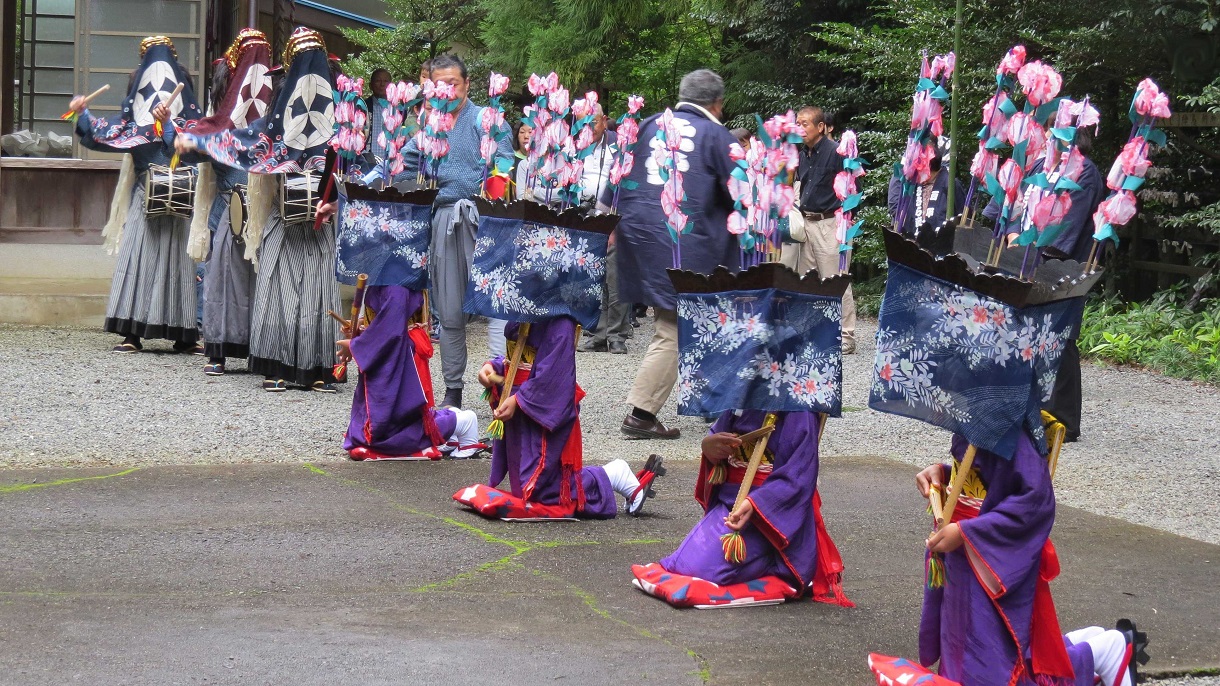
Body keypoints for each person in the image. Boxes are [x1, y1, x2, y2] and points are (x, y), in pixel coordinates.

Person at [176, 27, 341, 393]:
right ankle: (276, 364)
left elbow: (353, 160)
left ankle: (316, 367)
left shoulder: (341, 112)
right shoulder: (278, 104)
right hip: (281, 213)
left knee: (315, 292)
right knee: (277, 288)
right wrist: (196, 139)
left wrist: (336, 197)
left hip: (321, 216)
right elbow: (245, 137)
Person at [613, 69, 741, 440]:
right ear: (718, 103)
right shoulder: (717, 135)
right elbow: (742, 194)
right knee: (675, 327)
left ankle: (712, 403)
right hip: (687, 241)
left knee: (690, 322)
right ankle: (641, 412)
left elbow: (617, 183)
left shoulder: (647, 125)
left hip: (640, 235)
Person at [632, 410, 853, 608]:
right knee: (683, 566)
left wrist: (758, 503)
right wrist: (709, 447)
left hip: (768, 515)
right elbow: (716, 436)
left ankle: (776, 563)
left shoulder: (799, 408)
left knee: (706, 571)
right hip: (731, 502)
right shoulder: (743, 393)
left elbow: (799, 475)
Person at [70, 36, 203, 355]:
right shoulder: (134, 118)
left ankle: (184, 334)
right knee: (137, 261)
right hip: (145, 197)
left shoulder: (189, 115)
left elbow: (189, 148)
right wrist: (82, 113)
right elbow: (99, 136)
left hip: (181, 196)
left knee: (180, 266)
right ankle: (132, 332)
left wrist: (169, 123)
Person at [914, 434, 1077, 685]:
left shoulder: (1011, 431)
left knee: (989, 647)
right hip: (962, 552)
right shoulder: (977, 421)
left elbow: (1035, 500)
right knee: (956, 635)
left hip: (987, 552)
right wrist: (944, 475)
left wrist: (967, 532)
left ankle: (1104, 651)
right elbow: (984, 477)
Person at [464, 316, 666, 519]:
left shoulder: (560, 321)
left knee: (544, 490)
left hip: (540, 403)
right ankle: (610, 474)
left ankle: (612, 475)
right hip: (520, 401)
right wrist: (495, 367)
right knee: (525, 488)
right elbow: (518, 357)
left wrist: (520, 400)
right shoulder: (526, 308)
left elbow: (554, 372)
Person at [400, 53, 514, 409]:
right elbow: (402, 168)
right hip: (445, 217)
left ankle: (499, 381)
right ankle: (453, 388)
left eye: (454, 83)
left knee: (497, 305)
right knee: (448, 309)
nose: (447, 91)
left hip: (485, 218)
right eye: (440, 84)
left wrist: (490, 206)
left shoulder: (487, 119)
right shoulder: (425, 126)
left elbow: (504, 166)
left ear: (466, 85)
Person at [983, 130, 1105, 442]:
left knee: (1059, 335)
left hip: (1061, 260)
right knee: (1024, 334)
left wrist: (1035, 250)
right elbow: (1014, 204)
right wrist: (1013, 235)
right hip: (1022, 254)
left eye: (1053, 132)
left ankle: (1062, 420)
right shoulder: (1040, 167)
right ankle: (1026, 410)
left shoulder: (1085, 172)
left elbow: (1068, 225)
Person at [184, 29, 273, 376]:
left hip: (268, 206)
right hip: (229, 205)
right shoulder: (222, 105)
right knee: (223, 277)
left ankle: (262, 348)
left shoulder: (275, 98)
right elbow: (206, 148)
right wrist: (182, 136)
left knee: (263, 278)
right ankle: (219, 349)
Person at [334, 286, 485, 461]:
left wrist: (357, 345)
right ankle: (450, 426)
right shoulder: (392, 275)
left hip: (400, 352)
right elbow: (386, 323)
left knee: (394, 423)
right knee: (384, 418)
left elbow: (391, 329)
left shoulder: (396, 285)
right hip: (391, 349)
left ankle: (461, 423)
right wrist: (362, 333)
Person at [792, 106, 857, 354]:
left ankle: (846, 335)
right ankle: (814, 332)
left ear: (821, 127)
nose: (800, 128)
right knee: (806, 280)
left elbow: (853, 187)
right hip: (806, 222)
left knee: (836, 280)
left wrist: (845, 226)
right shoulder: (802, 154)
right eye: (797, 123)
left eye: (805, 124)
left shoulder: (837, 152)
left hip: (831, 223)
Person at [579, 103, 630, 354]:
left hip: (613, 216)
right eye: (582, 123)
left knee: (615, 277)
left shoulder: (619, 147)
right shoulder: (573, 146)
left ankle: (617, 334)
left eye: (593, 122)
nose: (588, 128)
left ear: (604, 120)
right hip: (583, 216)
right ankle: (598, 333)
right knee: (592, 278)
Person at [887, 136, 965, 235]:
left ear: (928, 166)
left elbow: (963, 218)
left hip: (942, 244)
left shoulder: (951, 184)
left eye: (919, 168)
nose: (915, 173)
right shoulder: (912, 185)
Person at [366, 68, 393, 160]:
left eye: (385, 81)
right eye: (378, 81)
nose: (382, 84)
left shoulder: (398, 109)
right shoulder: (363, 107)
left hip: (391, 162)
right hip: (367, 160)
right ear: (370, 85)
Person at [510, 120, 533, 199]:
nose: (526, 136)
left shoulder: (542, 162)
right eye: (522, 132)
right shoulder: (509, 158)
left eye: (530, 132)